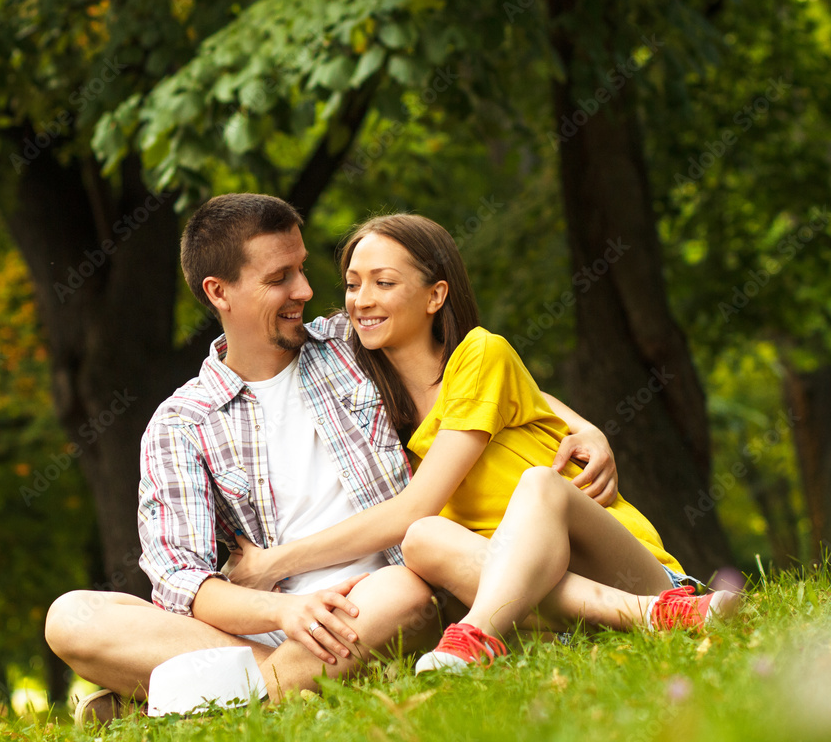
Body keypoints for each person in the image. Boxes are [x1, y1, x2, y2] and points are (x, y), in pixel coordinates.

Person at [45, 195, 619, 723]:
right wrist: (284, 616)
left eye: (301, 269)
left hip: (387, 601)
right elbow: (182, 582)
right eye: (279, 278)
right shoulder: (181, 423)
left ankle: (204, 702)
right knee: (71, 617)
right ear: (219, 292)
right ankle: (280, 682)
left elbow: (475, 375)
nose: (303, 289)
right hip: (272, 625)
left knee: (399, 591)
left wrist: (582, 425)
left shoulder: (350, 343)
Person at [225, 212, 739, 673]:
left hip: (629, 568)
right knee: (424, 540)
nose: (362, 301)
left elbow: (420, 499)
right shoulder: (377, 403)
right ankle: (653, 620)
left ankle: (484, 636)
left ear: (436, 295)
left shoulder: (479, 353)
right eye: (353, 284)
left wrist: (275, 562)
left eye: (384, 282)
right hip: (526, 590)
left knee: (536, 486)